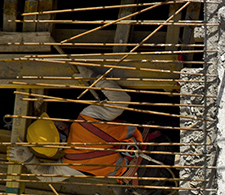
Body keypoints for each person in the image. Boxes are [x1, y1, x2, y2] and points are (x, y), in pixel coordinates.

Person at [7, 66, 147, 183]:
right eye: (54, 122)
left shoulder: (71, 165)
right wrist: (93, 77)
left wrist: (28, 159)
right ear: (61, 127)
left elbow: (46, 175)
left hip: (139, 177)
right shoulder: (87, 118)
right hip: (152, 147)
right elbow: (122, 99)